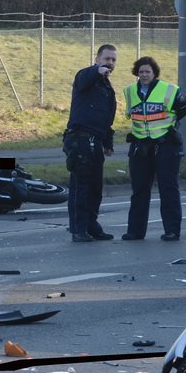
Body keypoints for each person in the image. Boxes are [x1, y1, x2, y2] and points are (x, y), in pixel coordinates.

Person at [121, 56, 186, 241]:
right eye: (141, 72)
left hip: (165, 145)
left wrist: (173, 123)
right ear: (137, 73)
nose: (144, 75)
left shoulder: (167, 89)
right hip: (140, 145)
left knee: (168, 188)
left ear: (154, 73)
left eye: (148, 72)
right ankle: (135, 231)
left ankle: (171, 230)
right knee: (139, 190)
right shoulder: (130, 92)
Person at [63, 44, 118, 242]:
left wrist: (108, 142)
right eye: (106, 59)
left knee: (95, 187)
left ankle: (91, 225)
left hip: (95, 142)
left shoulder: (107, 88)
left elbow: (106, 118)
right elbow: (84, 77)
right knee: (81, 186)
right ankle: (78, 229)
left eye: (113, 60)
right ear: (97, 59)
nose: (110, 63)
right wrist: (97, 70)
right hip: (80, 140)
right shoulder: (86, 77)